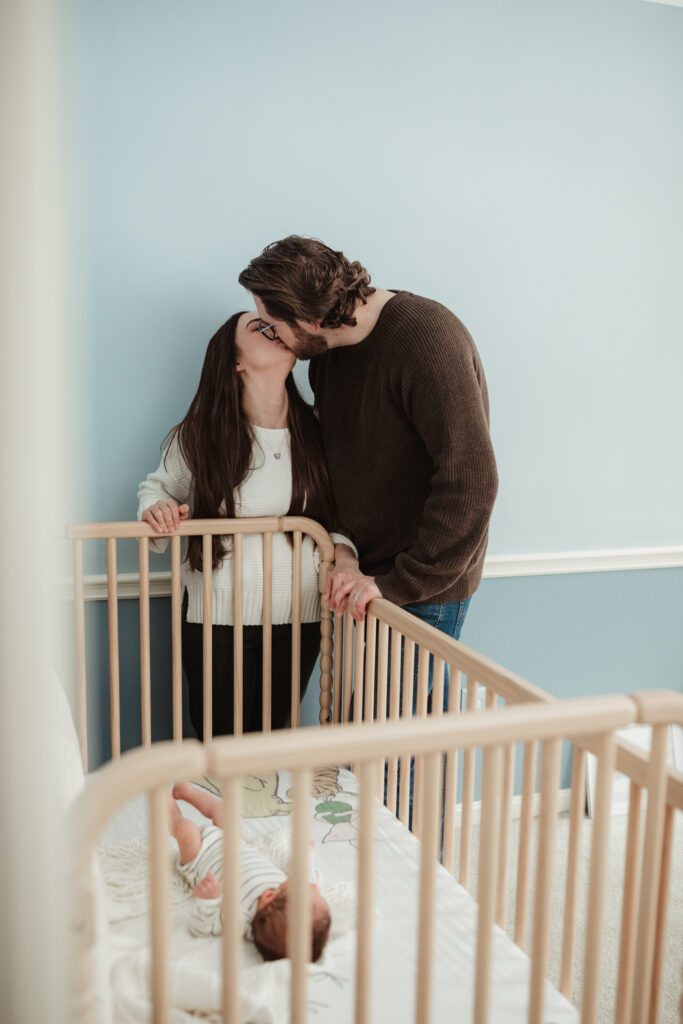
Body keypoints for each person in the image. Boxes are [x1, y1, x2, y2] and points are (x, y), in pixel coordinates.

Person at [238, 237, 498, 715]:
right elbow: (341, 462)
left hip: (423, 578)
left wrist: (399, 582)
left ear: (312, 320)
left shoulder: (426, 338)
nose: (270, 335)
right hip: (367, 571)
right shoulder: (328, 357)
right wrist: (346, 553)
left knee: (382, 733)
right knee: (397, 731)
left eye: (275, 325)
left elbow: (472, 481)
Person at [137, 311, 356, 738]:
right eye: (259, 327)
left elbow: (340, 519)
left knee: (269, 741)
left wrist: (345, 556)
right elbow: (156, 489)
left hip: (299, 614)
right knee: (221, 744)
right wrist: (158, 508)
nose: (275, 329)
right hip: (217, 613)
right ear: (235, 361)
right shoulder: (202, 436)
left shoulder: (317, 430)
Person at [169, 781, 331, 962]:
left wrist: (209, 901)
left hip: (201, 856)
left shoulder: (240, 920)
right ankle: (189, 793)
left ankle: (167, 806)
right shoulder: (300, 888)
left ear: (269, 895)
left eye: (312, 890)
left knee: (186, 830)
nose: (315, 886)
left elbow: (200, 927)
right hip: (237, 844)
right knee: (226, 812)